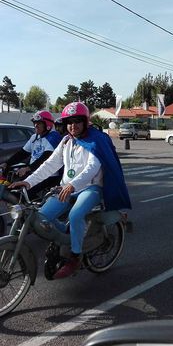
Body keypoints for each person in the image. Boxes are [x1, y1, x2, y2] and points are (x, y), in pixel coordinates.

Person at [10, 102, 131, 279]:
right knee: (42, 217)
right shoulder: (66, 141)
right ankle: (67, 238)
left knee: (75, 215)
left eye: (77, 121)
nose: (73, 126)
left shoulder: (94, 140)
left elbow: (92, 168)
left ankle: (75, 258)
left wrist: (72, 185)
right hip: (66, 188)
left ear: (85, 121)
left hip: (90, 188)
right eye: (69, 122)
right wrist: (28, 182)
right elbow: (50, 164)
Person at [0, 110, 62, 198]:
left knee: (22, 193)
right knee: (12, 188)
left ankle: (34, 210)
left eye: (39, 123)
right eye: (34, 123)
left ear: (47, 124)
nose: (35, 125)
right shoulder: (34, 137)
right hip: (34, 172)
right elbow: (22, 153)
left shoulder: (53, 136)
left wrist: (27, 168)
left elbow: (46, 157)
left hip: (48, 175)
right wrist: (6, 163)